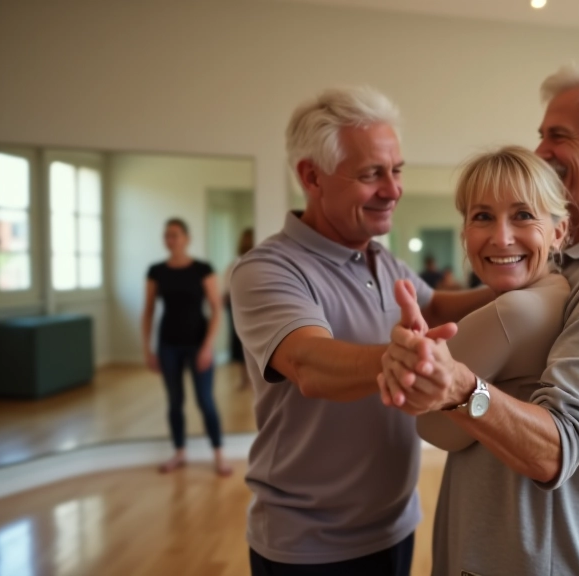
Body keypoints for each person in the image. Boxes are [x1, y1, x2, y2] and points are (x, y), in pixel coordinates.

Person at [380, 63, 579, 575]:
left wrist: (460, 388)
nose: (541, 151)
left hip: (545, 558)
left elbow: (557, 448)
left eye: (559, 136)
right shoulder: (560, 267)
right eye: (541, 135)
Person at [229, 86, 494, 576]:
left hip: (394, 524)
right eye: (372, 174)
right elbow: (309, 362)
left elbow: (435, 306)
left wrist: (526, 284)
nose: (393, 190)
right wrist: (397, 360)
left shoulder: (379, 255)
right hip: (308, 547)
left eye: (396, 171)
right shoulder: (267, 269)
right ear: (312, 176)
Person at [393, 145, 571, 566]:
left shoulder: (511, 312)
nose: (501, 236)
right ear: (464, 233)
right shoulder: (558, 290)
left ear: (558, 231)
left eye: (523, 215)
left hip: (501, 540)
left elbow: (433, 428)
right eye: (483, 217)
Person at [142, 218, 232, 477]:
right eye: (167, 235)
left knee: (205, 401)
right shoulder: (156, 271)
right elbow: (148, 311)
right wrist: (147, 349)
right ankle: (179, 452)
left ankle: (219, 454)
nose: (171, 240)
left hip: (198, 343)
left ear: (187, 238)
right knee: (174, 401)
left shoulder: (202, 269)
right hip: (168, 343)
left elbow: (216, 310)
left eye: (176, 235)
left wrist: (207, 346)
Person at [225, 227, 255, 390]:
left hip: (242, 305)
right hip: (236, 305)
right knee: (240, 342)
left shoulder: (239, 263)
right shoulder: (237, 263)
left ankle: (248, 379)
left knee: (243, 342)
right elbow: (226, 289)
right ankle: (246, 379)